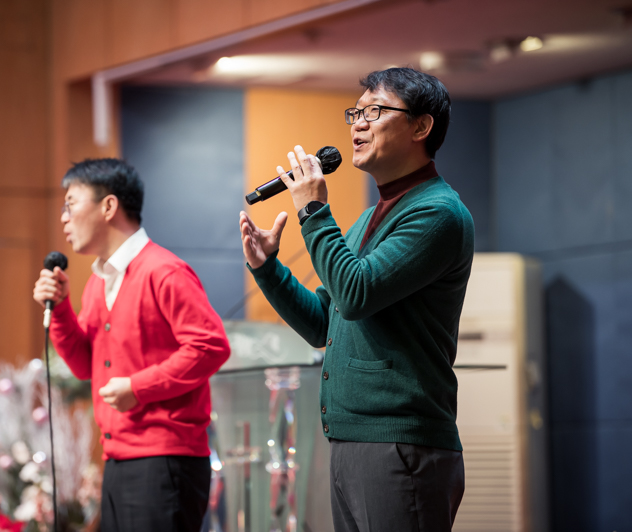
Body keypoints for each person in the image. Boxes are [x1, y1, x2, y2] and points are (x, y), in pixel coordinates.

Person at [239, 68, 474, 531]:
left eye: (375, 111)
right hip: (351, 441)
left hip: (401, 444)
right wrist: (268, 269)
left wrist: (313, 209)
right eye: (355, 113)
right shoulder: (370, 217)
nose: (358, 124)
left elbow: (355, 293)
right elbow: (324, 321)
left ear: (421, 127)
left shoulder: (438, 212)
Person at [33, 158, 230, 532]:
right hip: (118, 460)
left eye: (71, 204)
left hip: (165, 460)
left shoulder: (163, 270)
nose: (63, 218)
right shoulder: (98, 282)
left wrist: (138, 388)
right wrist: (59, 309)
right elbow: (85, 365)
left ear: (108, 206)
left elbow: (210, 347)